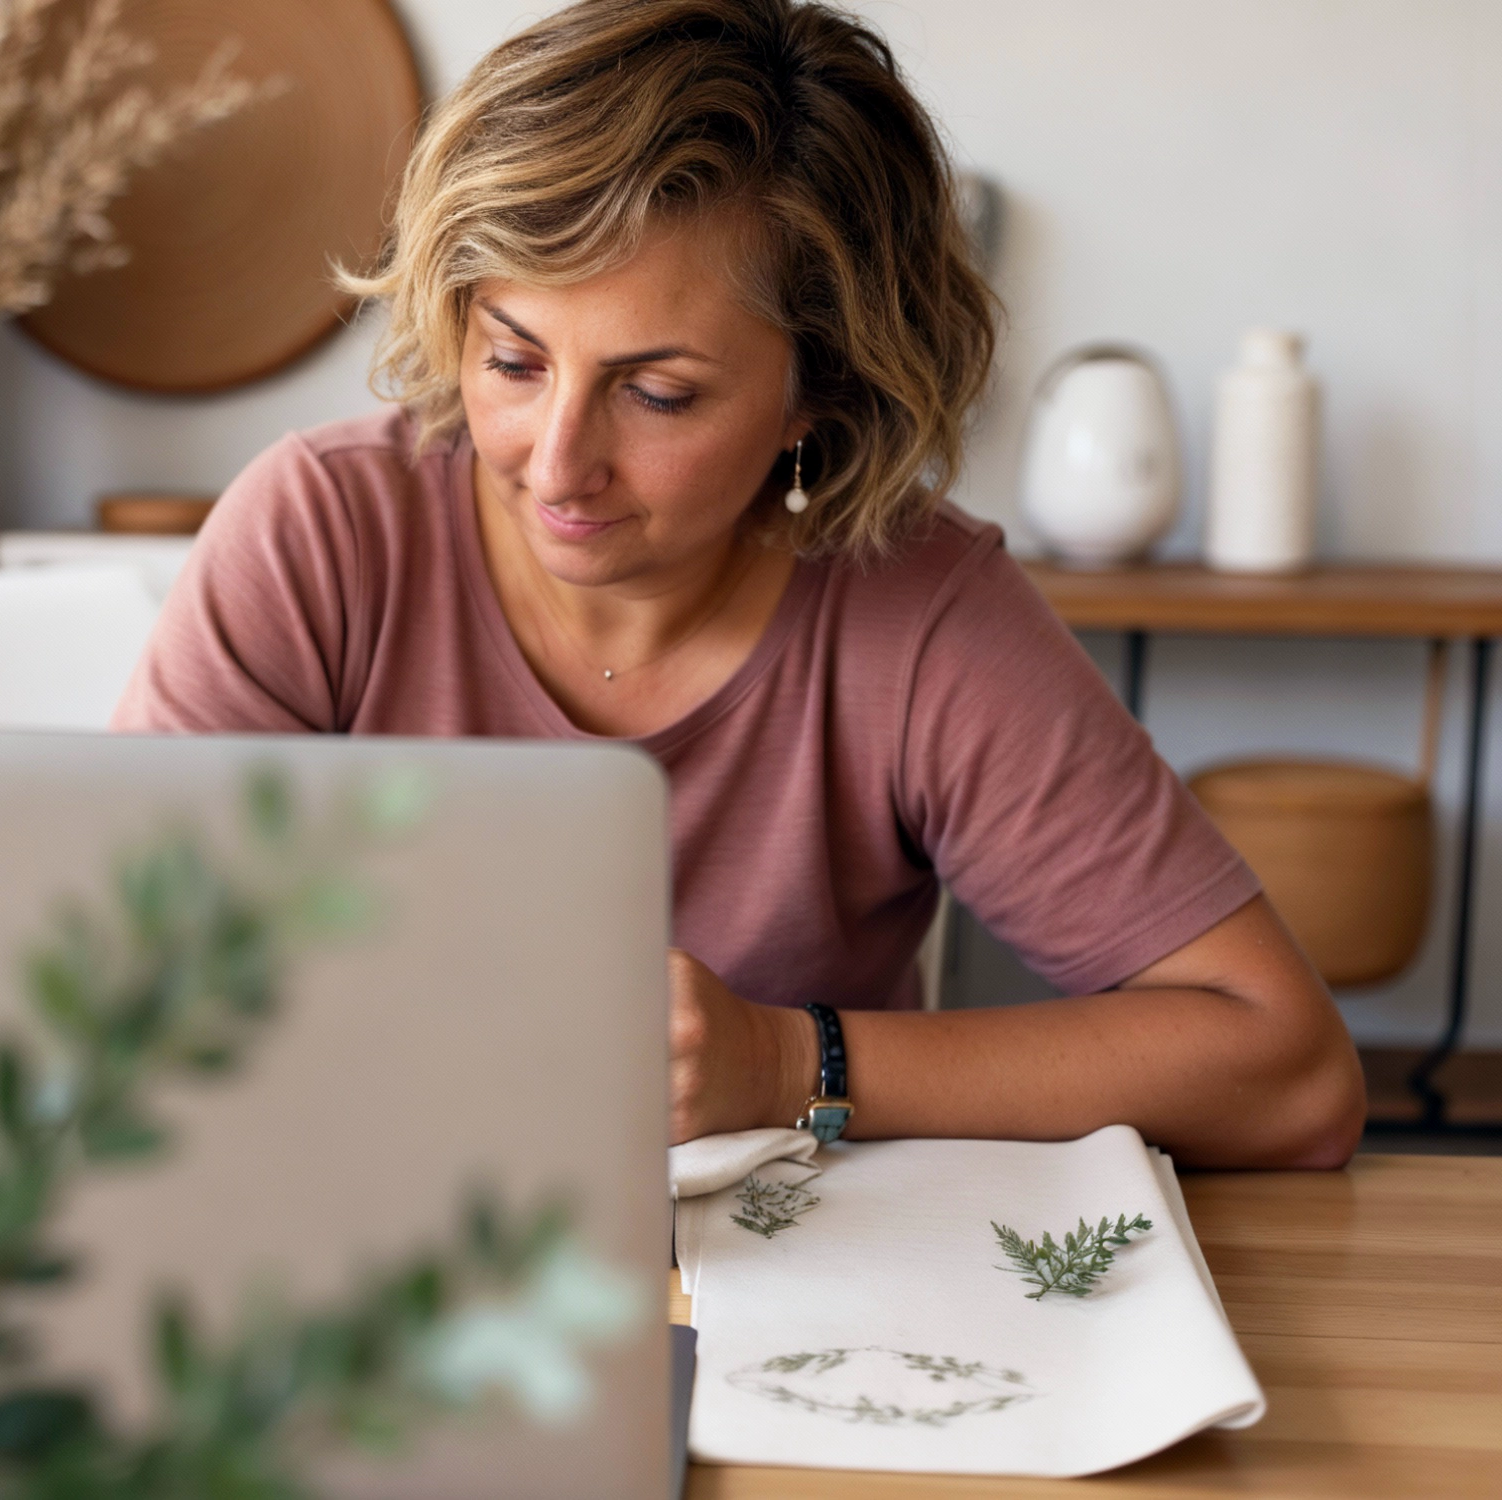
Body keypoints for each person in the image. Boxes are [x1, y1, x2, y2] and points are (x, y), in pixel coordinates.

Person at [114, 0, 1365, 1166]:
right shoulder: (323, 532)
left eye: (657, 393)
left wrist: (787, 1061)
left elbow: (1290, 1076)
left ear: (814, 391)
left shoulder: (917, 615)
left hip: (799, 1306)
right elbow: (102, 985)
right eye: (511, 359)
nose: (555, 462)